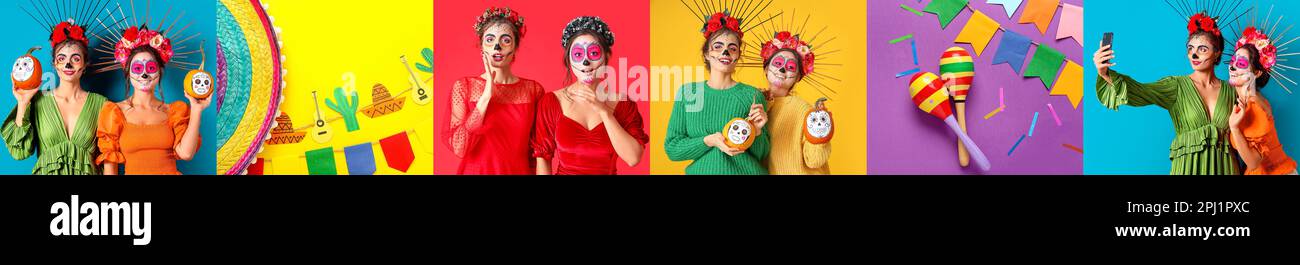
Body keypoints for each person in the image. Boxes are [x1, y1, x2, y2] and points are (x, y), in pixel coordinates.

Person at [1093, 12, 1239, 174]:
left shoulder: (1232, 91)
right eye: (1190, 48)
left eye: (1202, 49)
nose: (1194, 54)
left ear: (1217, 53)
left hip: (1226, 168)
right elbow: (1141, 91)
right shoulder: (1175, 85)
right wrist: (1105, 73)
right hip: (1187, 168)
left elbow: (1253, 134)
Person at [532, 16, 648, 175]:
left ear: (607, 56)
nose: (585, 62)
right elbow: (543, 160)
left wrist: (604, 112)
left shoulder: (622, 103)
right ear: (568, 59)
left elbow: (633, 158)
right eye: (578, 54)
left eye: (593, 53)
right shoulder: (551, 102)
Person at [664, 11, 770, 175]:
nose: (725, 52)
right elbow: (672, 149)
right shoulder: (688, 93)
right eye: (718, 46)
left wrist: (757, 131)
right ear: (706, 53)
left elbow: (762, 155)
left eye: (732, 48)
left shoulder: (753, 96)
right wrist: (709, 141)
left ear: (738, 55)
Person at [442, 7, 545, 174]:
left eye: (505, 40)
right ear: (481, 46)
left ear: (515, 46)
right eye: (490, 40)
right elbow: (459, 147)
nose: (497, 47)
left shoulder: (533, 90)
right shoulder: (464, 87)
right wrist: (485, 96)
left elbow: (537, 150)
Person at [96, 26, 207, 175]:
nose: (144, 74)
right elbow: (110, 171)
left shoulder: (174, 111)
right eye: (137, 68)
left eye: (150, 67)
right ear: (128, 72)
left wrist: (196, 109)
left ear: (160, 71)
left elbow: (186, 154)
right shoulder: (114, 112)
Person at [2, 20, 109, 175]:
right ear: (54, 64)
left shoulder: (101, 104)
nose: (68, 64)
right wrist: (23, 103)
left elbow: (109, 158)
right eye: (61, 58)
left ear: (85, 64)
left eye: (76, 58)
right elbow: (20, 151)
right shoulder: (38, 101)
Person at [1225, 26, 1297, 175]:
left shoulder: (1255, 106)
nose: (1232, 67)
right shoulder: (1247, 100)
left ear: (1256, 73)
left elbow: (1253, 163)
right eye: (1233, 60)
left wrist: (1234, 128)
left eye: (1241, 64)